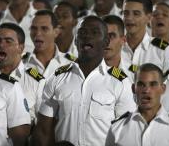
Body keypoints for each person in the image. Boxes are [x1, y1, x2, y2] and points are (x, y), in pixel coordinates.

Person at [32, 16, 135, 146]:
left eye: (95, 32)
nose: (87, 36)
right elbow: (42, 131)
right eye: (82, 32)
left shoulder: (120, 82)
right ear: (75, 40)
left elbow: (126, 134)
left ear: (106, 41)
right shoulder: (57, 78)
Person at [106, 63, 169, 146]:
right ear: (134, 89)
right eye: (141, 84)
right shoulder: (117, 128)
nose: (146, 90)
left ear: (163, 89)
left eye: (153, 84)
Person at [0, 23, 40, 122]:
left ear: (21, 48)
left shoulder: (36, 81)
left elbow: (42, 123)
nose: (1, 45)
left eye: (8, 41)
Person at [121, 0, 169, 77]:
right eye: (125, 13)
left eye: (136, 14)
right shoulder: (113, 46)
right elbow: (109, 73)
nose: (129, 18)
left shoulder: (164, 50)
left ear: (149, 18)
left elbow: (168, 83)